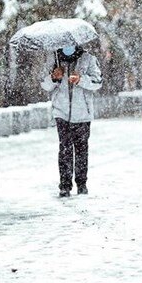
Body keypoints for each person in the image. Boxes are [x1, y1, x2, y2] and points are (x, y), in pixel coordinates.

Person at [40, 45, 102, 198]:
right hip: (61, 112)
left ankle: (82, 184)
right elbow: (44, 84)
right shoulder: (54, 59)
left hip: (82, 113)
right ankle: (65, 185)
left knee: (81, 149)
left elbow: (97, 82)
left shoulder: (88, 59)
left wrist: (81, 79)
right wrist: (54, 77)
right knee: (65, 149)